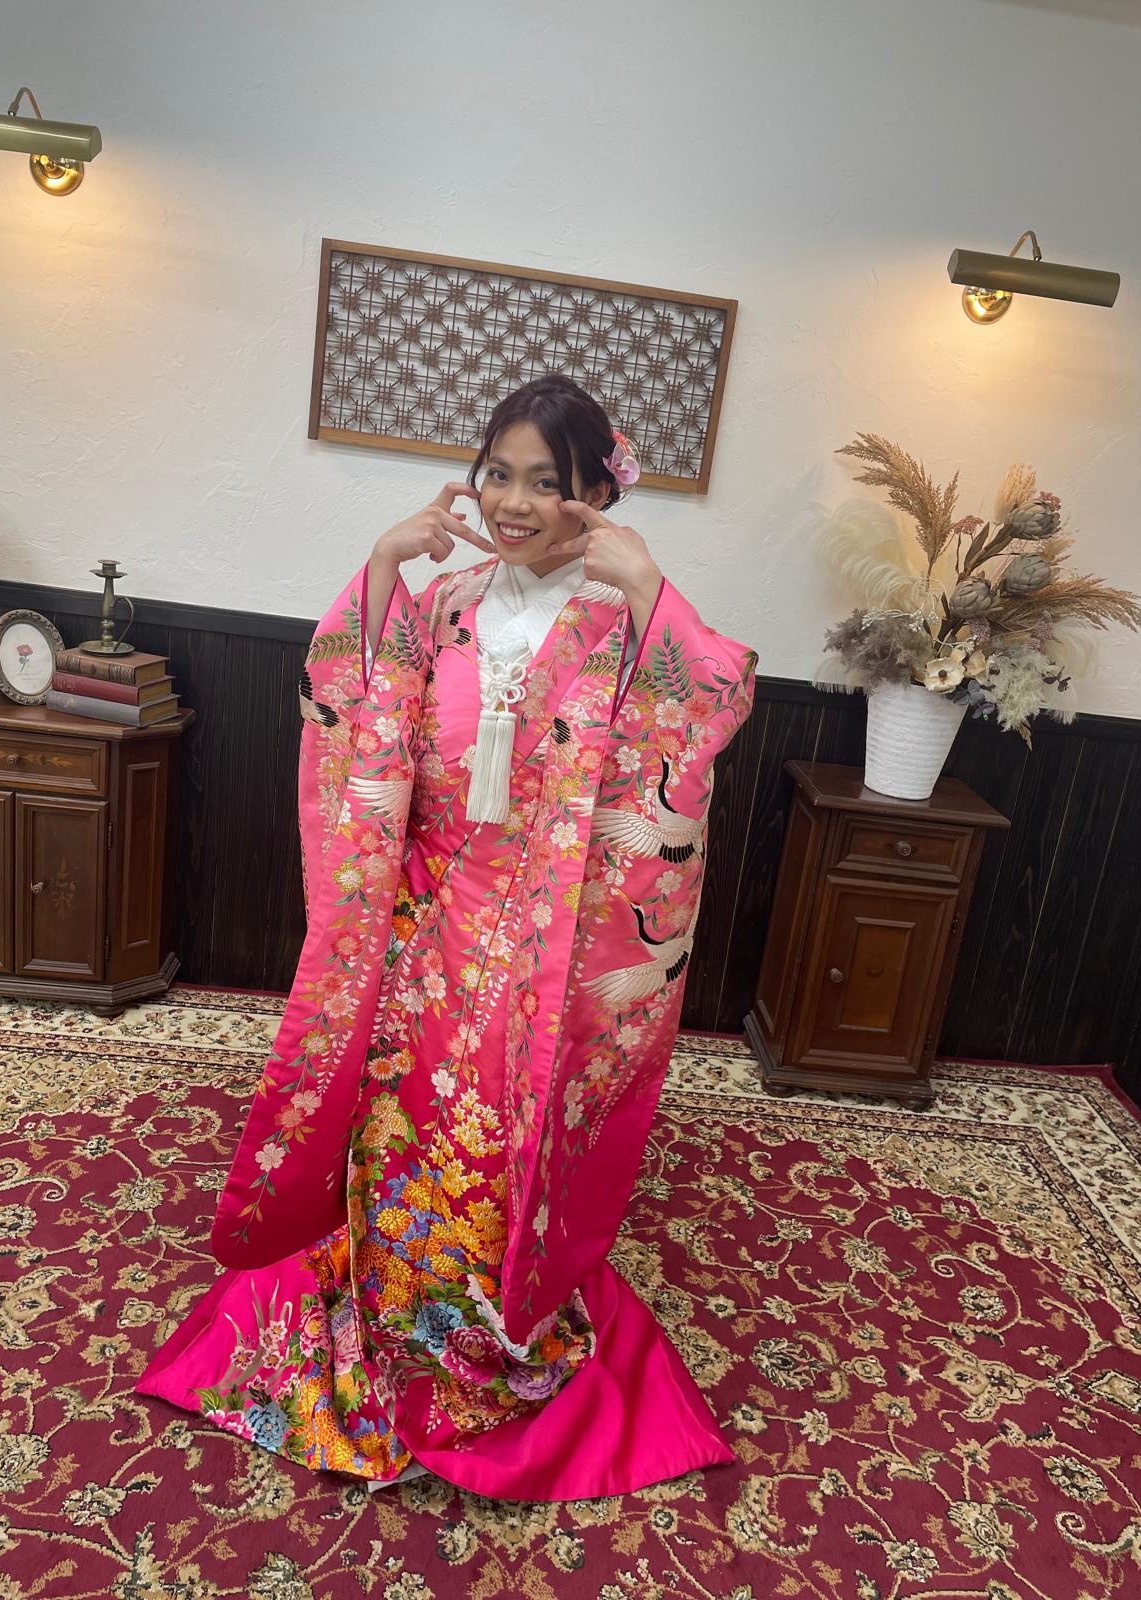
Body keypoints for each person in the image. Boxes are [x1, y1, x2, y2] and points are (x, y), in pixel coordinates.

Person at [137, 374, 757, 1500]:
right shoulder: (445, 602)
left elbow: (710, 705)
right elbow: (359, 715)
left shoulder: (625, 617)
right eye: (498, 475)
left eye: (546, 483)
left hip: (546, 942)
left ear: (597, 492)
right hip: (426, 922)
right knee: (395, 1124)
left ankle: (487, 1328)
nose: (514, 503)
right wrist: (383, 566)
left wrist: (651, 589)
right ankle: (388, 1316)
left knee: (501, 1142)